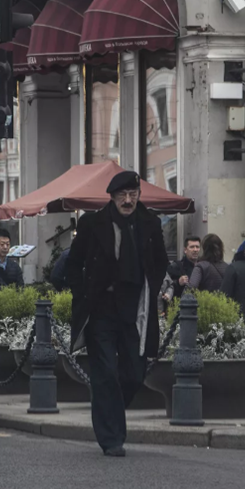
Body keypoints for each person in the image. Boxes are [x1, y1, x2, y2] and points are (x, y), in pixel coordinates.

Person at [66, 170, 168, 457]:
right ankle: (111, 438)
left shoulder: (149, 223)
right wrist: (81, 292)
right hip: (101, 308)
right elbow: (72, 264)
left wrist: (151, 289)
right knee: (106, 373)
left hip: (134, 308)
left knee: (135, 374)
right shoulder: (92, 223)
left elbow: (160, 262)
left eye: (133, 194)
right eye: (122, 195)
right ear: (111, 197)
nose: (128, 200)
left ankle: (108, 411)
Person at [161, 236, 200, 305]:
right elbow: (166, 288)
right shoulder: (175, 267)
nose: (195, 250)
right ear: (185, 250)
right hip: (180, 308)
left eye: (197, 247)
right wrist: (178, 283)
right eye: (192, 247)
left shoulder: (203, 267)